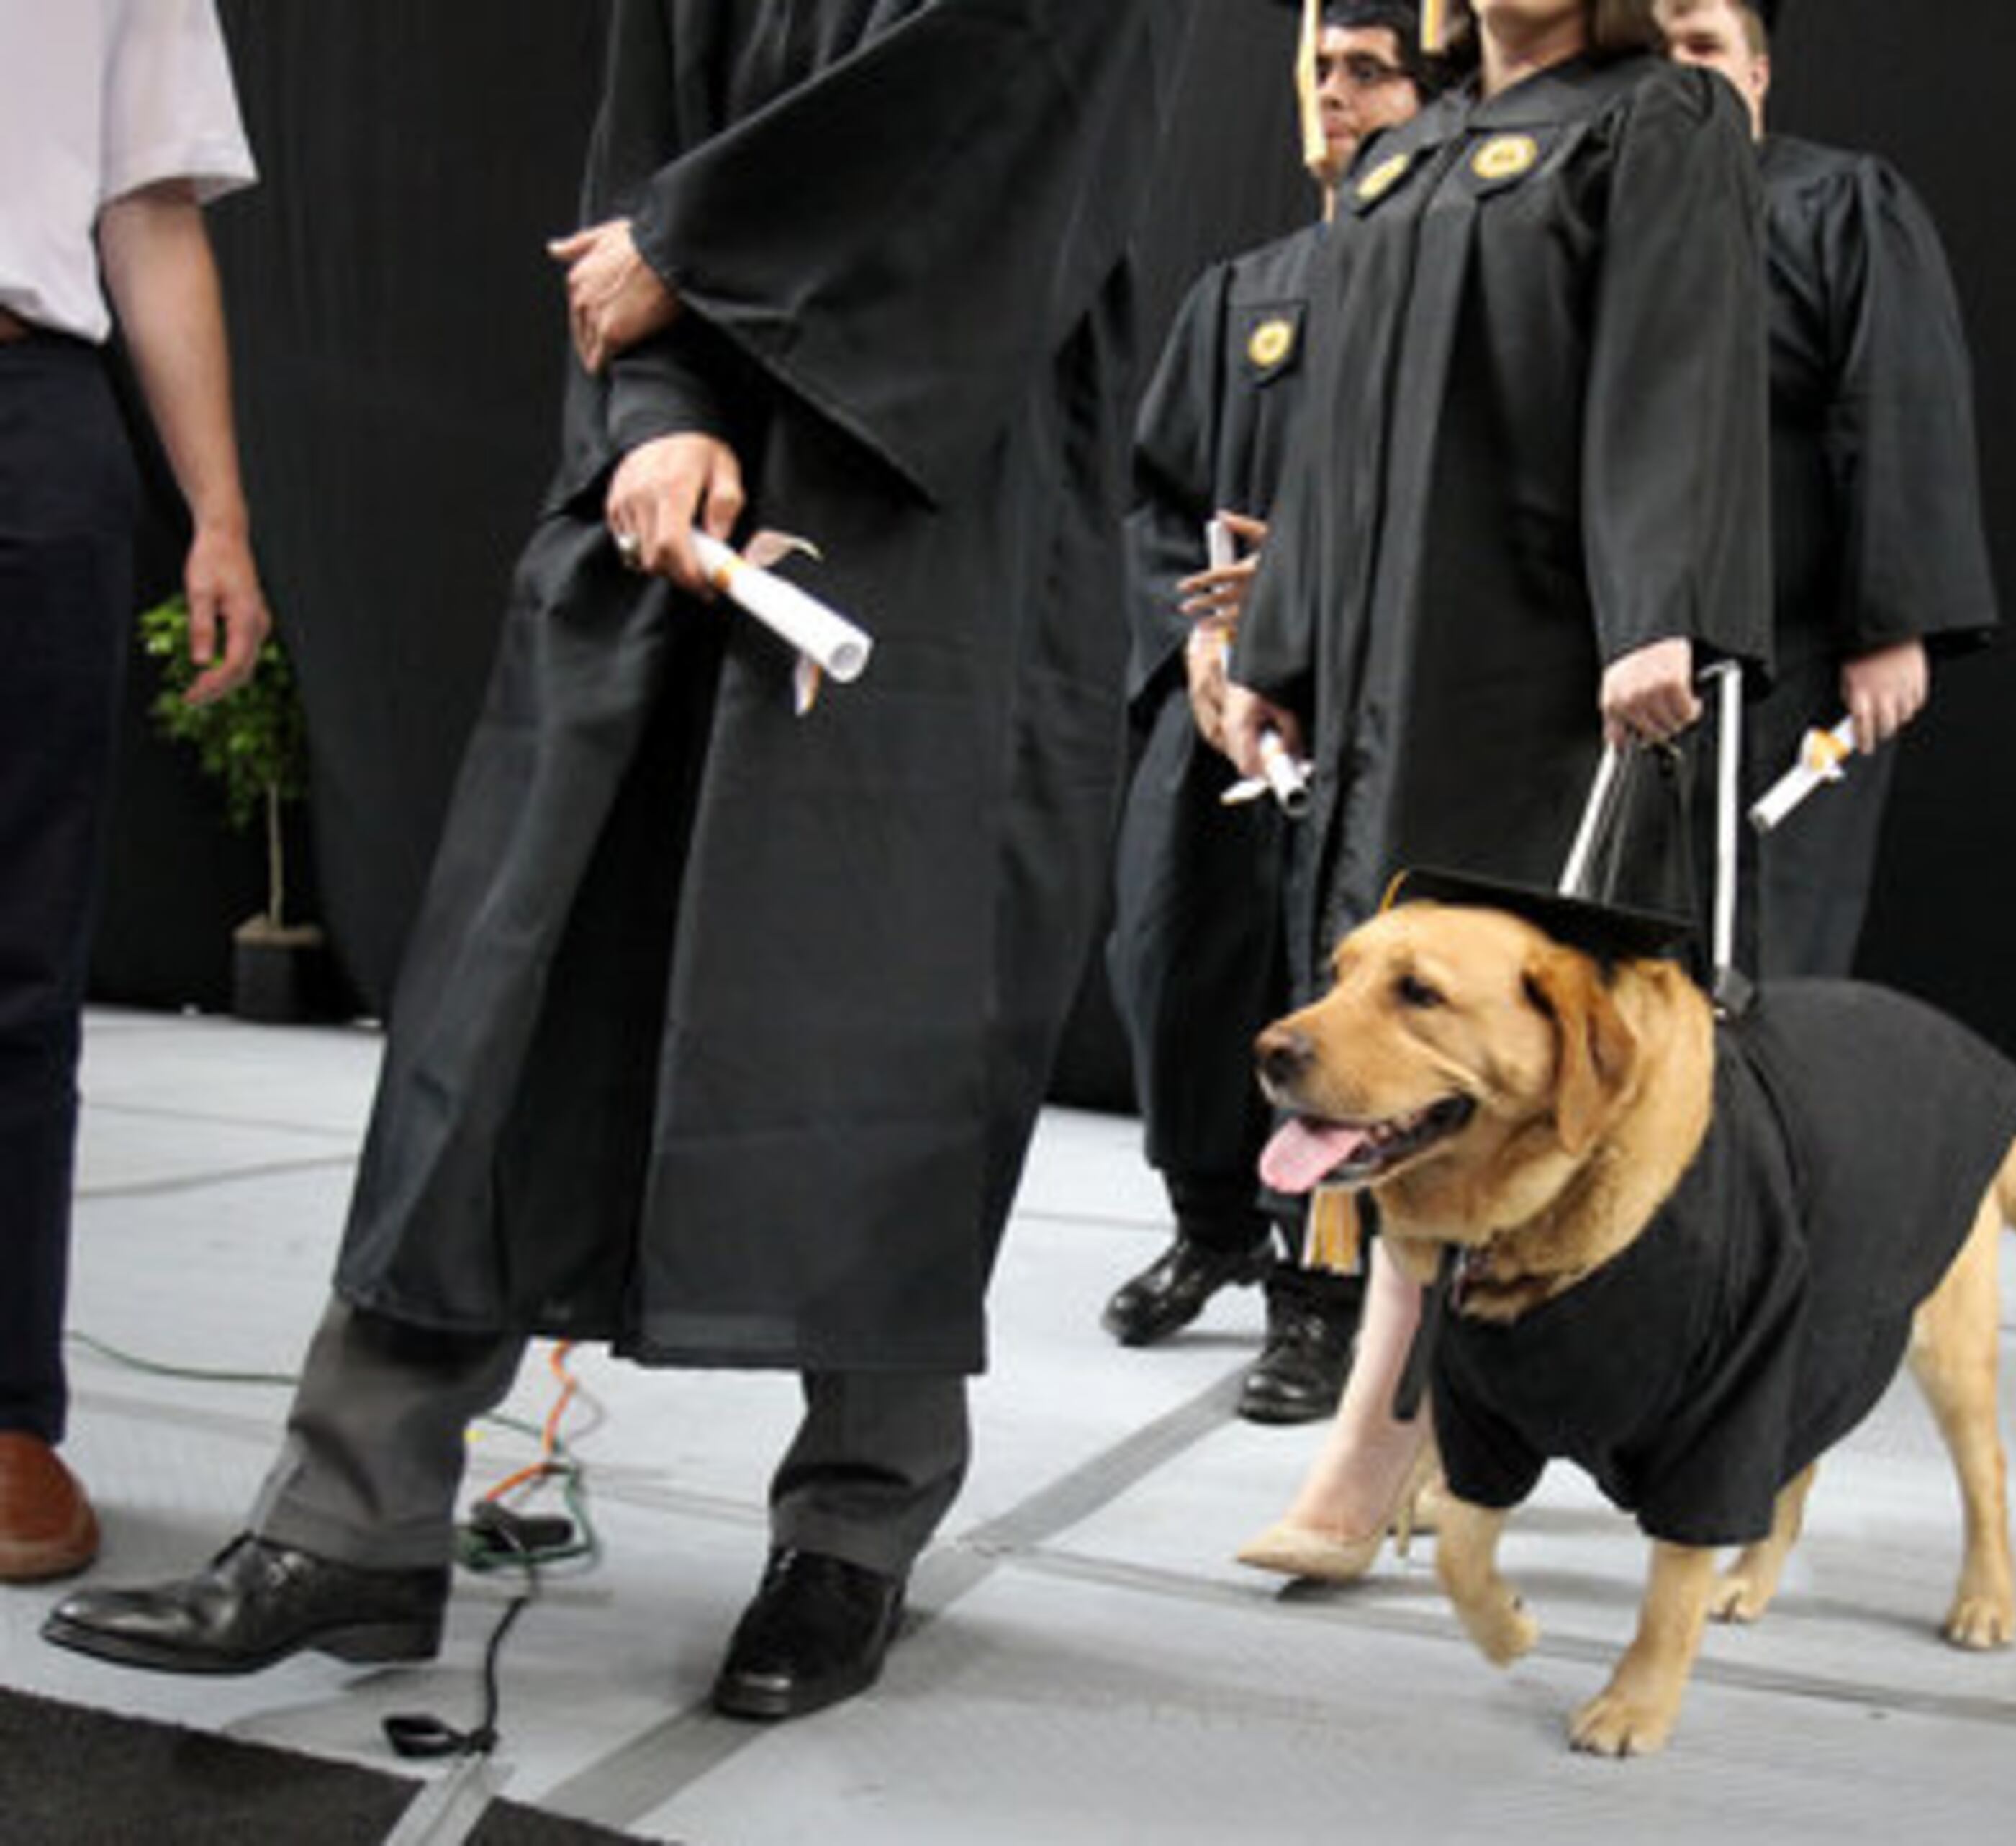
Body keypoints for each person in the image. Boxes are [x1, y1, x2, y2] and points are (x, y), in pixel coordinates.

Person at [47, 0, 1181, 1722]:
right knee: (494, 1013)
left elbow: (1008, 116)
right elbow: (622, 203)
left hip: (944, 519)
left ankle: (853, 1531)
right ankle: (348, 1515)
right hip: (669, 504)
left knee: (895, 1032)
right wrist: (653, 406)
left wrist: (695, 253)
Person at [1223, 0, 1771, 1578]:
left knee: (1518, 1069)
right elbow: (1335, 435)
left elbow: (1678, 367)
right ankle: (1410, 1447)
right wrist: (1282, 635)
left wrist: (1657, 600)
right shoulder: (1405, 152)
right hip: (1390, 665)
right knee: (1391, 1059)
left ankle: (1372, 1465)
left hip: (1542, 660)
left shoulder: (1655, 118)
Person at [1101, 1, 1445, 1426]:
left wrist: (1313, 608)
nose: (1339, 96)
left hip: (1375, 711)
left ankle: (1319, 1286)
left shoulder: (1460, 292)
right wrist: (1191, 639)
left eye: (1371, 72)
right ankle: (1213, 1220)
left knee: (1333, 989)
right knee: (1177, 958)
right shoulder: (1245, 290)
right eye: (1322, 71)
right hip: (1221, 708)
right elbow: (1155, 496)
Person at [0, 0, 274, 1586]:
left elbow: (151, 207)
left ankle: (6, 1405)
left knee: (20, 956)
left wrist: (218, 512)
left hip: (27, 401)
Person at [1653, 0, 1999, 978]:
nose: (1682, 72)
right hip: (1631, 665)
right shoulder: (1611, 216)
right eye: (1660, 51)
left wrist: (1892, 621)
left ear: (1757, 74)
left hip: (1789, 662)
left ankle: (1754, 1138)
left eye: (1706, 48)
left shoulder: (1837, 202)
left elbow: (1896, 396)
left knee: (1761, 951)